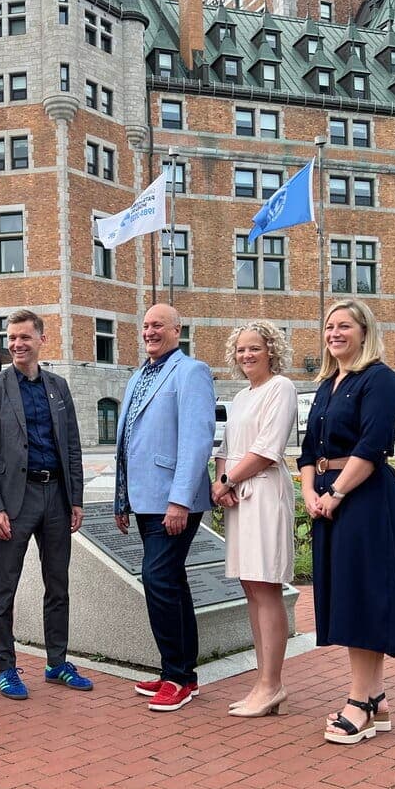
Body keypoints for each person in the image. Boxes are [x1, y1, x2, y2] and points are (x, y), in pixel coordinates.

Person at [298, 299, 395, 745]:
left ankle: (359, 702)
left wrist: (338, 493)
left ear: (365, 331)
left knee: (364, 597)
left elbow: (372, 445)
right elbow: (308, 449)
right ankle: (376, 698)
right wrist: (310, 492)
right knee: (347, 596)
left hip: (365, 500)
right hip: (328, 499)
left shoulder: (381, 380)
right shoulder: (327, 385)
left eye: (344, 325)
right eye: (329, 327)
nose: (335, 333)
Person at [0, 310, 90, 700]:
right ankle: (6, 668)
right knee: (3, 587)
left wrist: (76, 499)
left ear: (42, 339)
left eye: (25, 337)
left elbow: (72, 447)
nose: (17, 344)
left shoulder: (58, 386)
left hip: (56, 497)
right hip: (14, 501)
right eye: (12, 337)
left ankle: (57, 662)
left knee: (58, 585)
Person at [115, 304, 215, 713]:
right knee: (170, 581)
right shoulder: (139, 375)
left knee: (158, 579)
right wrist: (122, 499)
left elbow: (197, 439)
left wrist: (179, 500)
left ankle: (177, 677)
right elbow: (126, 443)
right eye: (145, 325)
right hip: (144, 499)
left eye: (158, 325)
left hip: (174, 501)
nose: (149, 332)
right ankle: (180, 672)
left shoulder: (191, 372)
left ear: (177, 330)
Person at [210, 321, 297, 717]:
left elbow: (267, 449)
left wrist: (228, 480)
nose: (247, 355)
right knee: (250, 586)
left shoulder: (281, 388)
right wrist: (221, 482)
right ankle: (264, 682)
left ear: (271, 351)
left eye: (255, 348)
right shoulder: (241, 397)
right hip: (238, 495)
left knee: (266, 584)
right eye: (241, 349)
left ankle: (272, 683)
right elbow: (225, 447)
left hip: (263, 492)